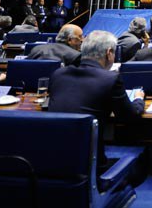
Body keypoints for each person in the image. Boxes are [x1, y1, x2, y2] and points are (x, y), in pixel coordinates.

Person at [48, 31, 145, 170]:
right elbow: (130, 116)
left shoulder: (58, 74)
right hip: (90, 167)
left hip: (51, 162)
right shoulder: (110, 79)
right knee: (141, 164)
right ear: (109, 53)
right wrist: (138, 98)